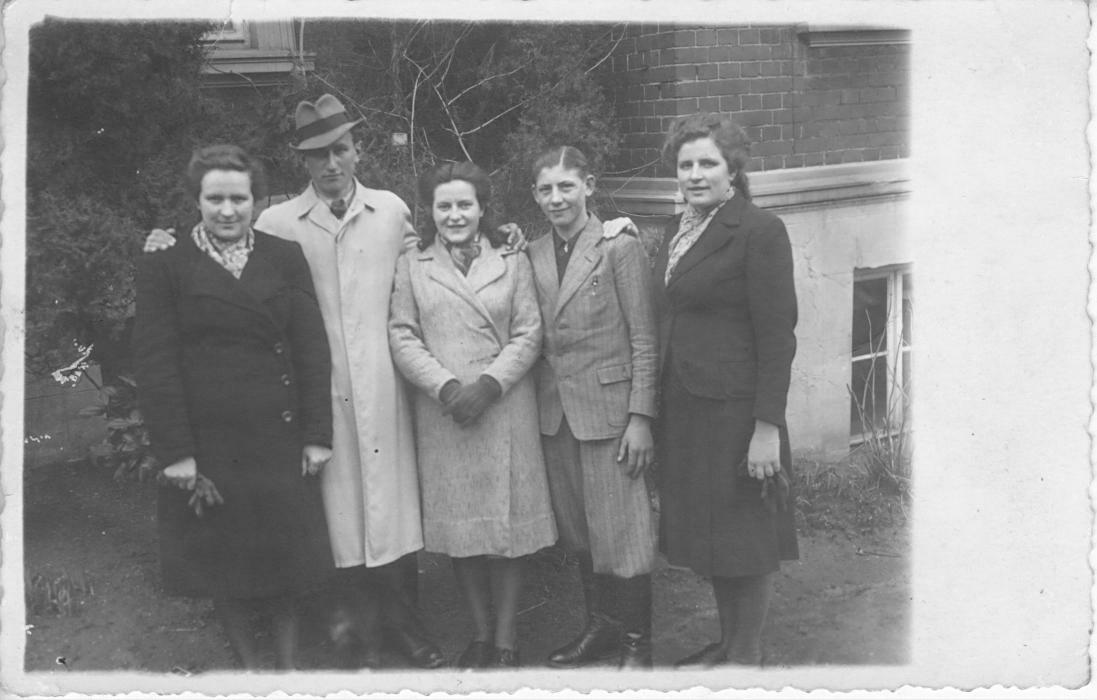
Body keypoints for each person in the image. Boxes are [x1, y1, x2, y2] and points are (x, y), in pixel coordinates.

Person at [143, 95, 443, 669]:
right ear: (301, 163)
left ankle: (406, 628)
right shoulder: (278, 222)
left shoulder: (391, 211)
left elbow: (427, 264)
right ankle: (345, 629)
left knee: (389, 510)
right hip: (315, 390)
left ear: (358, 151)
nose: (331, 164)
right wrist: (165, 239)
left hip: (381, 384)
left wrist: (496, 233)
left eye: (341, 150)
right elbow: (221, 244)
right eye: (317, 155)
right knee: (333, 518)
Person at [134, 144, 334, 670]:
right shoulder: (166, 263)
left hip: (279, 438)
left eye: (239, 198)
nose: (228, 210)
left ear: (256, 200)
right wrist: (176, 451)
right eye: (215, 198)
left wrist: (317, 434)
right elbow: (156, 364)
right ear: (196, 200)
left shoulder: (283, 256)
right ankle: (249, 668)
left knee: (285, 562)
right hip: (212, 445)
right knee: (226, 566)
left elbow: (312, 348)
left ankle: (287, 672)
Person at [388, 161, 557, 668]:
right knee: (463, 531)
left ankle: (505, 641)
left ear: (483, 209)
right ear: (430, 211)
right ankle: (480, 635)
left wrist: (489, 385)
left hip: (503, 408)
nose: (455, 214)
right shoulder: (412, 264)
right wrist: (445, 387)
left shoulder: (512, 258)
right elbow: (401, 332)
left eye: (465, 204)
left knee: (507, 533)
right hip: (445, 413)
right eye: (445, 205)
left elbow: (530, 331)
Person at [654, 112, 799, 667]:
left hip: (738, 415)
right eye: (685, 164)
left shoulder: (760, 230)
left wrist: (766, 428)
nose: (695, 174)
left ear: (732, 170)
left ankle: (746, 656)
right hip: (690, 411)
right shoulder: (678, 230)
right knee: (714, 536)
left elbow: (777, 336)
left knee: (745, 536)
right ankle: (728, 642)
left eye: (707, 163)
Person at [525, 146, 658, 668]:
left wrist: (641, 418)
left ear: (589, 186)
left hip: (610, 413)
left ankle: (636, 644)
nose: (556, 198)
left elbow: (644, 336)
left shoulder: (617, 247)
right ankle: (600, 627)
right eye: (545, 189)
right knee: (582, 532)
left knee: (623, 532)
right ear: (535, 196)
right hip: (556, 414)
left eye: (566, 186)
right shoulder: (532, 252)